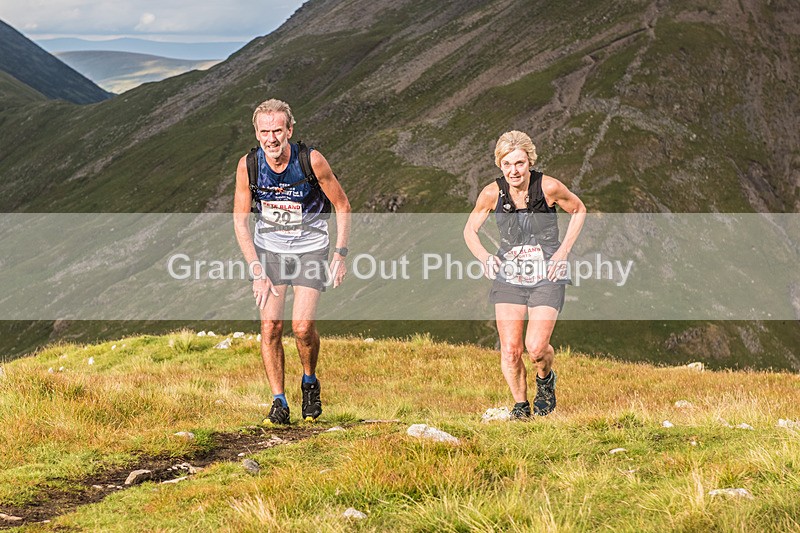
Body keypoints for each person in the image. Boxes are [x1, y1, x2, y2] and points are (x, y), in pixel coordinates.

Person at [233, 99, 350, 425]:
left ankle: (309, 381)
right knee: (270, 326)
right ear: (257, 133)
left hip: (311, 249)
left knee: (301, 328)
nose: (271, 139)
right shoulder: (250, 165)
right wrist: (256, 270)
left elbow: (342, 205)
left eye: (277, 131)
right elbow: (240, 221)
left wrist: (340, 255)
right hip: (270, 251)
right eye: (264, 132)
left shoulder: (310, 160)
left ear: (289, 131)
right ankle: (279, 401)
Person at [464, 131, 585, 419]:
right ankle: (521, 406)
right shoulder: (492, 193)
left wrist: (562, 253)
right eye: (507, 164)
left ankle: (545, 380)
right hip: (509, 275)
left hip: (547, 274)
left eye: (519, 163)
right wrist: (484, 257)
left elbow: (579, 210)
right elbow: (469, 230)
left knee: (536, 347)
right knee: (510, 350)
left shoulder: (549, 188)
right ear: (499, 165)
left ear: (529, 161)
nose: (513, 170)